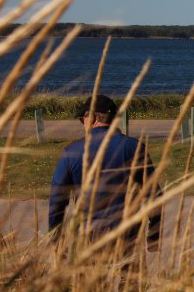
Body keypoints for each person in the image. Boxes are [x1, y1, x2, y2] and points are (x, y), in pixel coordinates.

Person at [48, 94, 162, 250]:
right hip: (127, 235)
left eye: (82, 119)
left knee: (89, 266)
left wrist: (56, 240)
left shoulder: (71, 152)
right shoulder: (134, 148)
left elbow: (57, 199)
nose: (82, 123)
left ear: (92, 118)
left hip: (88, 235)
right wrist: (154, 234)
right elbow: (153, 193)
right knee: (127, 267)